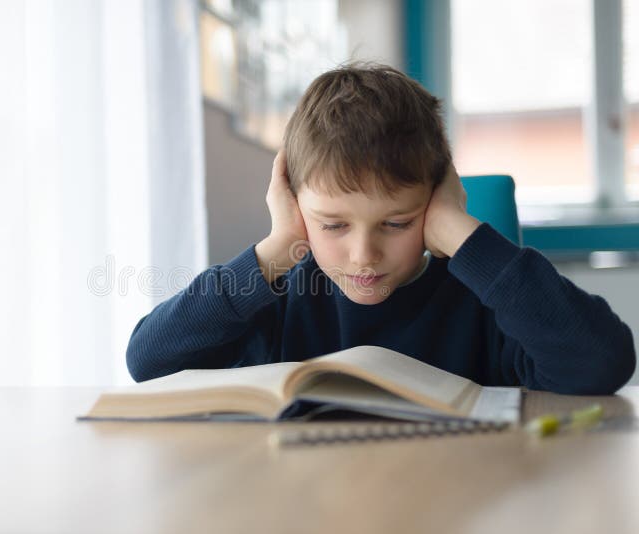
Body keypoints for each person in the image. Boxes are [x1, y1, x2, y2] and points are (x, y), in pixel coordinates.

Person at [126, 62, 636, 395]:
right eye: (333, 225)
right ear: (293, 204)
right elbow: (149, 360)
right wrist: (276, 252)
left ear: (436, 203)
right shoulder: (282, 297)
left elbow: (602, 363)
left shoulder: (480, 302)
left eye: (397, 222)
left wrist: (462, 236)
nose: (363, 254)